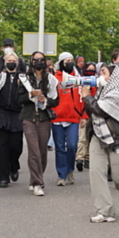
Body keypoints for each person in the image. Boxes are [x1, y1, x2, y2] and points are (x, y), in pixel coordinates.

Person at [81, 64, 119, 222]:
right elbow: (92, 111)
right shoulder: (101, 92)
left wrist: (87, 96)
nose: (101, 75)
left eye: (104, 72)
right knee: (96, 172)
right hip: (98, 136)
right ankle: (104, 211)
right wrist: (87, 98)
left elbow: (101, 110)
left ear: (114, 76)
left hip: (118, 139)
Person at [17, 52, 60, 197]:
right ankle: (37, 183)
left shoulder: (51, 80)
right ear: (31, 61)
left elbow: (56, 100)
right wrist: (31, 95)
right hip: (29, 117)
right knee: (33, 150)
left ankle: (34, 178)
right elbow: (19, 99)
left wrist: (44, 100)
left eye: (42, 59)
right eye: (36, 59)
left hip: (43, 118)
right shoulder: (24, 79)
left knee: (42, 151)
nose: (39, 62)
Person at [0, 52, 24, 188]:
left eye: (14, 60)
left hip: (17, 114)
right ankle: (3, 177)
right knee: (1, 147)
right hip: (1, 113)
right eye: (9, 60)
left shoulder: (23, 78)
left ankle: (14, 166)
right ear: (4, 61)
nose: (11, 62)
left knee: (16, 145)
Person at [51, 52, 84, 186]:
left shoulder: (77, 78)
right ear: (61, 63)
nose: (69, 63)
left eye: (71, 60)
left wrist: (83, 115)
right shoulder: (54, 78)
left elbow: (82, 97)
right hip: (57, 117)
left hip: (73, 116)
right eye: (66, 61)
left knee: (72, 145)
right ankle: (61, 174)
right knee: (59, 147)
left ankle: (70, 169)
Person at [75, 62, 98, 171]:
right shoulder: (81, 83)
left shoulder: (96, 84)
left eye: (93, 70)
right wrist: (82, 116)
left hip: (94, 113)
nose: (91, 72)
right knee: (82, 137)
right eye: (89, 69)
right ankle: (80, 157)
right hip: (84, 114)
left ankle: (87, 158)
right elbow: (81, 100)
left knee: (90, 137)